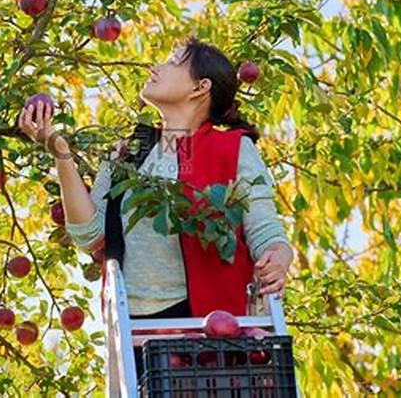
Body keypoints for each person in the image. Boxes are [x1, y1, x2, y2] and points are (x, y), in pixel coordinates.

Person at [18, 36, 293, 384]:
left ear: (200, 87)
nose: (155, 67)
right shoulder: (130, 151)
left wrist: (279, 257)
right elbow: (90, 234)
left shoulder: (232, 149)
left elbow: (265, 230)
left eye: (174, 60)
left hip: (204, 332)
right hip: (134, 333)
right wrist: (59, 150)